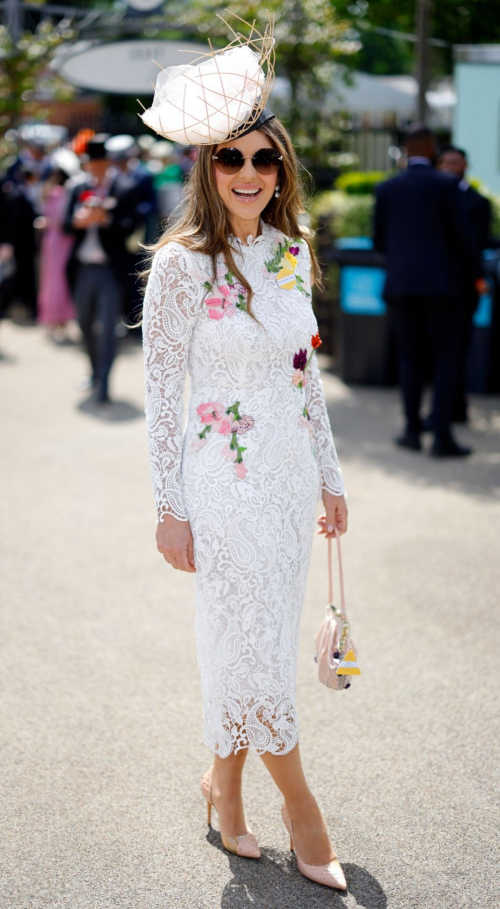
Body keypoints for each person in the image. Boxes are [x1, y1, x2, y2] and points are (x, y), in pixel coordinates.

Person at [140, 32, 349, 892]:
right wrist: (169, 504)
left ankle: (223, 788)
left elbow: (306, 381)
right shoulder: (182, 268)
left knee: (245, 641)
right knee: (254, 646)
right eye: (231, 157)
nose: (249, 172)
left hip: (288, 480)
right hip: (220, 487)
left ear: (283, 168)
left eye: (265, 157)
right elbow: (160, 393)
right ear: (208, 166)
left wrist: (331, 478)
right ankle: (305, 809)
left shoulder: (294, 254)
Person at [373, 125, 475, 457]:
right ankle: (442, 437)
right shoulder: (447, 185)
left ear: (404, 149)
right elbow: (464, 239)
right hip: (443, 287)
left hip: (401, 285)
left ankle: (412, 431)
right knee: (446, 358)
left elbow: (379, 241)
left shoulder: (387, 188)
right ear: (431, 147)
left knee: (410, 358)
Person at [64, 135, 139, 402]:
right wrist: (80, 220)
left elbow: (131, 226)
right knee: (84, 323)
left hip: (111, 269)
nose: (96, 168)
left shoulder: (125, 188)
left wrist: (105, 219)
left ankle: (104, 384)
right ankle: (95, 372)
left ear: (109, 163)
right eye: (91, 164)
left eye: (101, 163)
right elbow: (65, 225)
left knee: (108, 327)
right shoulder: (77, 187)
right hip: (84, 267)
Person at [437, 145, 492, 423]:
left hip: (462, 288)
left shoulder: (478, 203)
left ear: (465, 165)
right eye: (444, 162)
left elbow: (476, 246)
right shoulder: (431, 198)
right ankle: (448, 408)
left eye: (454, 162)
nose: (448, 167)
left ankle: (453, 408)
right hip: (435, 287)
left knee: (458, 347)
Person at [37, 149, 81, 341]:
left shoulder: (56, 193)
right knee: (59, 282)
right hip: (61, 241)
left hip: (57, 241)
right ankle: (58, 321)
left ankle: (57, 321)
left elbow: (51, 217)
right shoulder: (64, 192)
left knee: (55, 282)